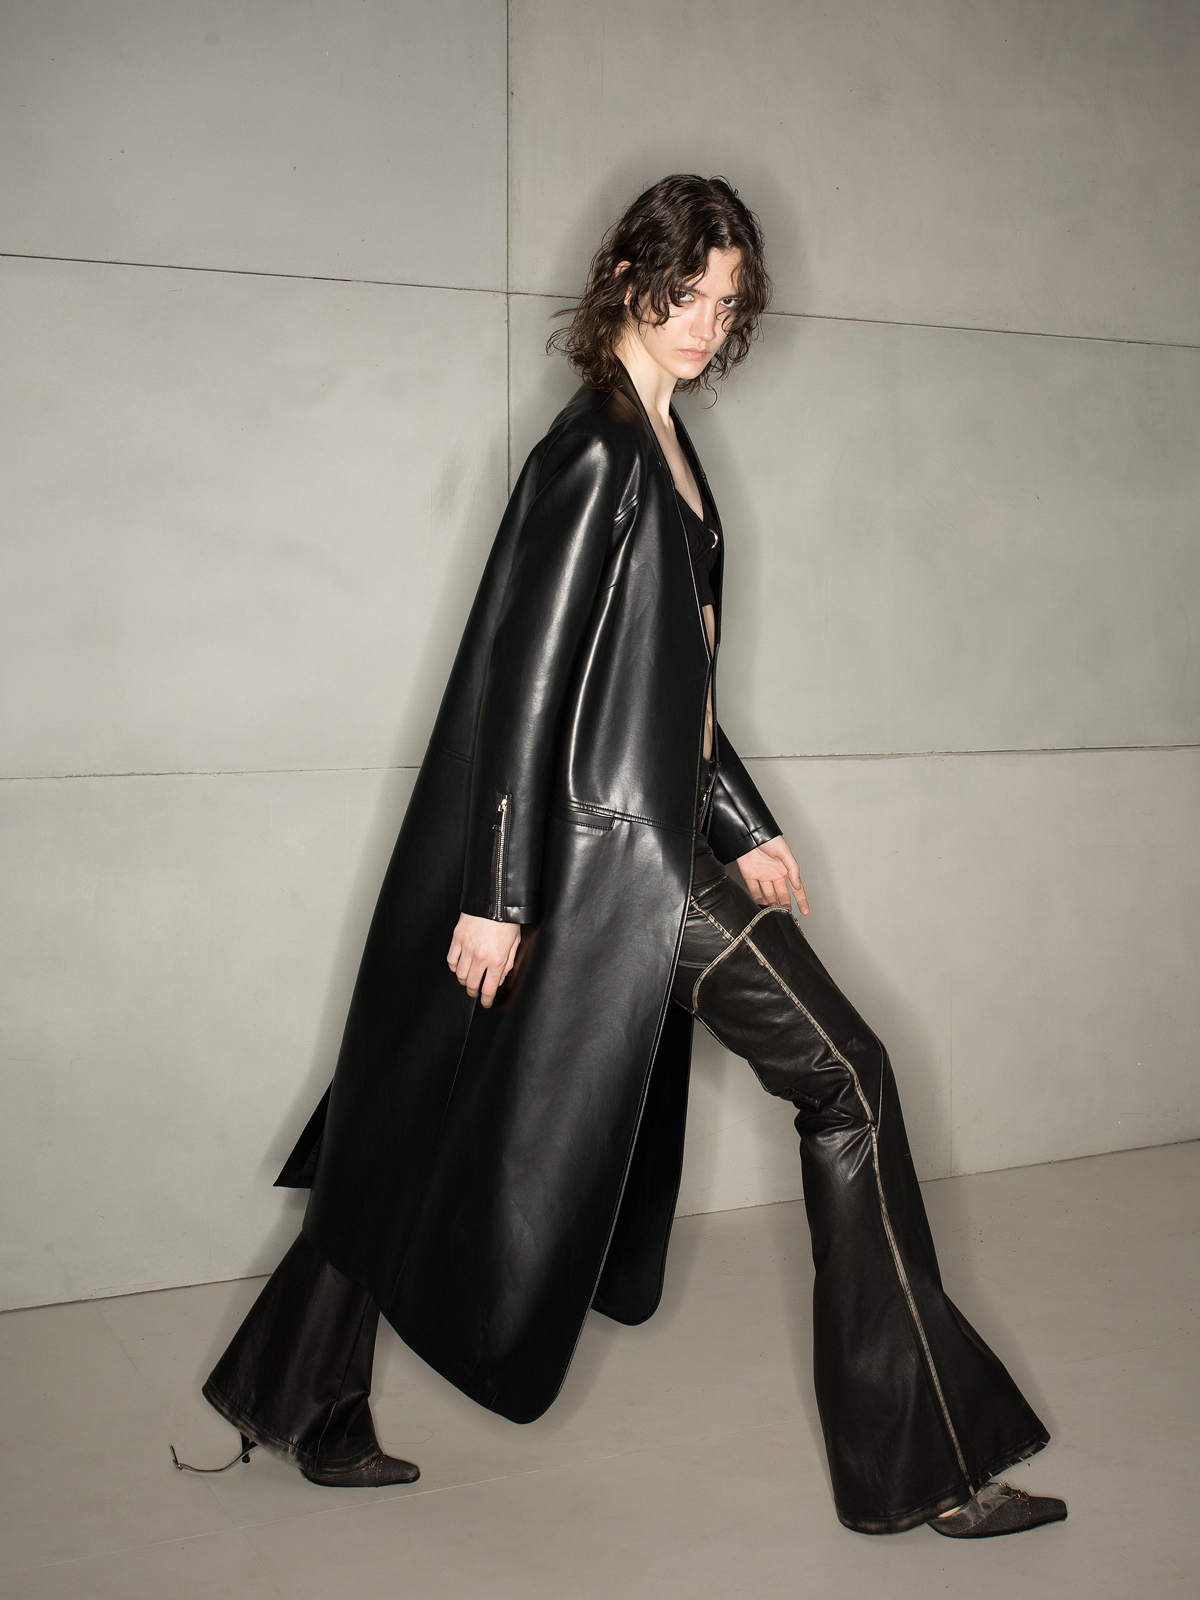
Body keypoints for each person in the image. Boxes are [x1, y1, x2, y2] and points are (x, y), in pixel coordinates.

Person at [180, 175, 1065, 1538]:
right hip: (614, 869)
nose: (705, 323)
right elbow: (521, 688)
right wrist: (498, 898)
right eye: (685, 293)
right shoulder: (596, 448)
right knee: (850, 1078)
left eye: (726, 302)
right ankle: (922, 1467)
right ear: (624, 278)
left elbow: (670, 692)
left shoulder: (666, 444)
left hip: (645, 845)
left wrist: (749, 826)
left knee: (419, 1107)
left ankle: (290, 1391)